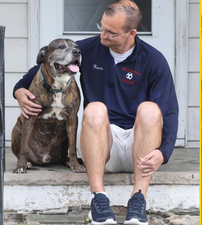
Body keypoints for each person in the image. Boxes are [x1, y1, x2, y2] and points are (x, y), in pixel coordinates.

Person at [13, 1, 178, 224]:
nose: (103, 35)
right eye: (102, 26)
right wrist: (19, 90)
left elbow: (169, 111)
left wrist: (163, 152)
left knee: (149, 109)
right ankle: (98, 199)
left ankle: (138, 200)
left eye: (110, 32)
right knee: (94, 108)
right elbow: (42, 66)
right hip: (101, 146)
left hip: (138, 149)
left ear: (131, 33)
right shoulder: (89, 49)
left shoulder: (153, 60)